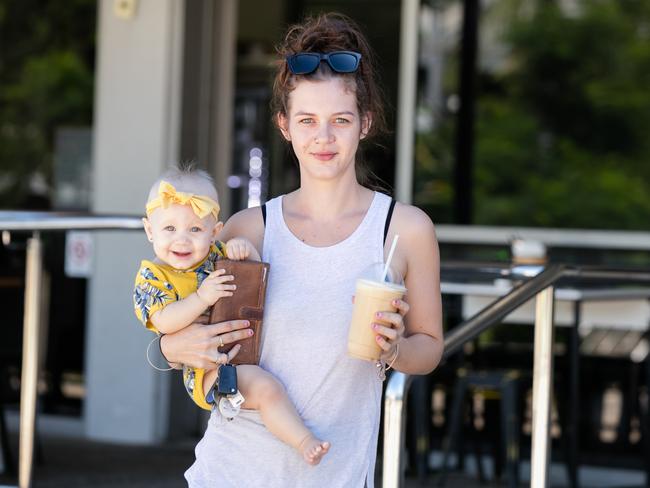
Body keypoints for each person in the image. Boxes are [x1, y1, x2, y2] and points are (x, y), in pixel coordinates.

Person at [160, 12, 444, 487]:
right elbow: (185, 333)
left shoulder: (404, 229)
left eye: (340, 120)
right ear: (285, 126)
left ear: (365, 123)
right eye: (307, 120)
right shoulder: (250, 227)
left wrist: (394, 349)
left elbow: (430, 348)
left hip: (337, 475)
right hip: (230, 471)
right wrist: (170, 346)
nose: (323, 137)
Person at [133, 166, 330, 465]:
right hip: (206, 370)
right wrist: (201, 298)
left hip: (236, 349)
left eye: (195, 229)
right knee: (266, 388)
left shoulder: (216, 255)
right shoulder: (153, 276)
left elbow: (250, 275)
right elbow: (164, 322)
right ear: (150, 230)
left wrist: (244, 249)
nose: (182, 240)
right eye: (169, 229)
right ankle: (304, 442)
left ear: (214, 232)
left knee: (266, 386)